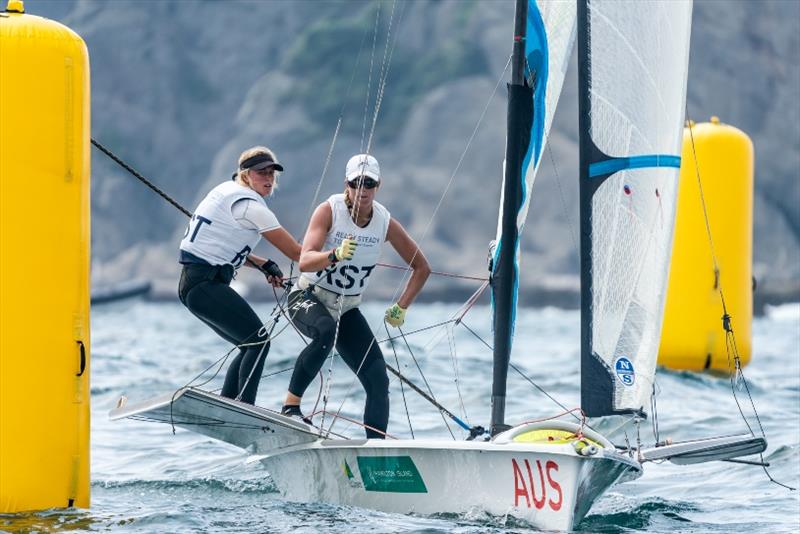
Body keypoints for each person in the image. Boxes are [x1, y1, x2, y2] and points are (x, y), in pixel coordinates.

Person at [282, 153, 431, 438]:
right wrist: (333, 255)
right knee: (325, 333)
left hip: (347, 308)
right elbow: (305, 260)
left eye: (370, 184)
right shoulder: (329, 210)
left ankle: (376, 447)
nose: (363, 190)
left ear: (378, 186)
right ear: (346, 184)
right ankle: (291, 408)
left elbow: (422, 268)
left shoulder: (385, 223)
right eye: (356, 183)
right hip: (308, 296)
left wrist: (402, 307)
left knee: (378, 379)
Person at [178, 146, 301, 405]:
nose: (268, 179)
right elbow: (297, 253)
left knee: (248, 344)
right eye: (261, 173)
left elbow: (218, 248)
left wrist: (262, 264)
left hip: (194, 284)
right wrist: (335, 257)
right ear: (245, 175)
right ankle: (245, 407)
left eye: (271, 173)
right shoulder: (251, 207)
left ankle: (230, 406)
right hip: (205, 285)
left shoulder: (224, 192)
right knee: (259, 343)